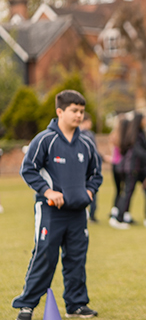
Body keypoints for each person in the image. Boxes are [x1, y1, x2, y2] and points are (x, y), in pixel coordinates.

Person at [12, 89, 102, 320]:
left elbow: (96, 174)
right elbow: (28, 169)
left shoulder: (86, 143)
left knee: (76, 259)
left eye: (81, 111)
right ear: (60, 111)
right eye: (74, 111)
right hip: (50, 212)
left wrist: (90, 192)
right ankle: (27, 305)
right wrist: (47, 191)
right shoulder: (44, 139)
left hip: (78, 212)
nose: (79, 115)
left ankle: (76, 304)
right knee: (44, 256)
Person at [111, 113, 146, 229]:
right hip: (133, 167)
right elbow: (138, 151)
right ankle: (119, 218)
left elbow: (144, 149)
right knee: (128, 192)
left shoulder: (142, 133)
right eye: (144, 118)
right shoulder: (135, 134)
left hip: (141, 168)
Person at [79, 112, 99, 222]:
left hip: (81, 166)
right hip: (88, 167)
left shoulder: (76, 134)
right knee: (91, 188)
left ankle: (86, 212)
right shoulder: (89, 135)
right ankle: (92, 214)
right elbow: (94, 152)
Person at [108, 115, 129, 219]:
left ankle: (114, 209)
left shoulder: (113, 135)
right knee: (124, 190)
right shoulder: (125, 136)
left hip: (114, 164)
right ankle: (121, 212)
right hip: (122, 165)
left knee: (117, 190)